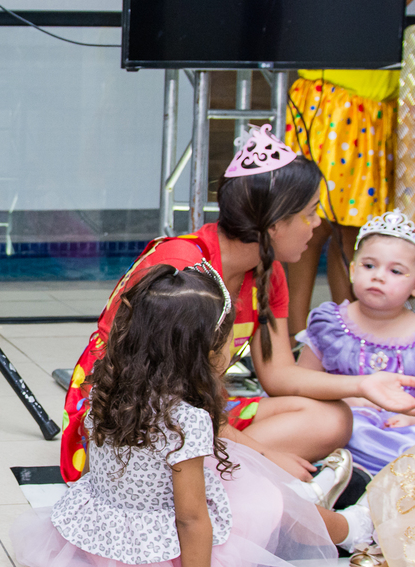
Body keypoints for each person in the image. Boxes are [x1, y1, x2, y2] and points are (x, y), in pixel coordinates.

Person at [16, 264, 371, 567]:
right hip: (162, 566)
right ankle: (353, 529)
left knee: (235, 471)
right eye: (229, 341)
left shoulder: (109, 389)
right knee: (269, 499)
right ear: (203, 352)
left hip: (105, 549)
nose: (233, 349)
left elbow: (94, 475)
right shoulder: (186, 419)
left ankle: (318, 507)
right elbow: (191, 518)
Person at [59, 125, 415, 484]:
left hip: (200, 413)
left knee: (335, 419)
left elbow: (278, 375)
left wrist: (364, 385)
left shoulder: (268, 272)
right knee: (255, 457)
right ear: (275, 224)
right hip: (132, 415)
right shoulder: (181, 266)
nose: (317, 224)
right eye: (310, 213)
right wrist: (264, 455)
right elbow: (164, 400)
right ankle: (231, 477)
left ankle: (223, 474)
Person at [283, 0, 415, 342]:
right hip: (336, 103)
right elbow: (377, 5)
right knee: (313, 227)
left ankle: (352, 341)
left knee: (351, 234)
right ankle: (297, 340)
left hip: (372, 104)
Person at [298, 211, 415, 476]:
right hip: (341, 425)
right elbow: (301, 382)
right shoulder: (330, 323)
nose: (378, 276)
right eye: (369, 266)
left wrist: (409, 416)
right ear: (352, 270)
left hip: (403, 432)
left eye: (396, 271)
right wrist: (346, 399)